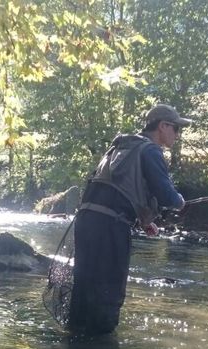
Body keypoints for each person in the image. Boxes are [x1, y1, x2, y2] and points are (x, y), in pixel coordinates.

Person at [67, 104, 191, 335]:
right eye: (176, 128)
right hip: (109, 228)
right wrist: (180, 201)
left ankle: (75, 341)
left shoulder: (122, 147)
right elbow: (166, 195)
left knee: (84, 286)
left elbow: (119, 187)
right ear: (162, 126)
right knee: (109, 290)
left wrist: (144, 220)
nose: (177, 134)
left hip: (86, 221)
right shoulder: (150, 151)